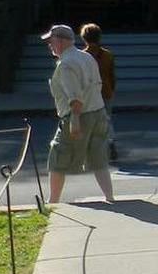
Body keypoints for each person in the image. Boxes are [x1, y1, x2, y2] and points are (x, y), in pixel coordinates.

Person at [40, 24, 114, 204]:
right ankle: (110, 197)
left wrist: (74, 121)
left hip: (79, 115)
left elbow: (75, 98)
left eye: (51, 41)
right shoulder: (86, 56)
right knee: (98, 157)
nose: (49, 44)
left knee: (58, 155)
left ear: (61, 41)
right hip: (99, 112)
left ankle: (53, 202)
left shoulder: (66, 64)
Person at [80, 23, 119, 163]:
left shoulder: (81, 56)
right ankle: (110, 142)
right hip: (105, 91)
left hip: (87, 93)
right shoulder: (108, 55)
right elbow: (112, 75)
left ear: (84, 38)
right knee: (106, 119)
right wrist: (111, 89)